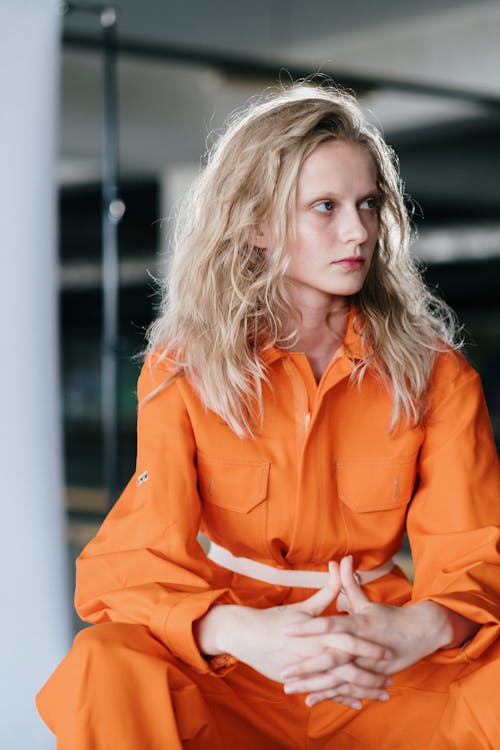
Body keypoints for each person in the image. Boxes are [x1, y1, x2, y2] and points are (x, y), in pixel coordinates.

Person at [37, 83, 500, 749]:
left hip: (379, 666)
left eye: (368, 204)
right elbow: (135, 558)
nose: (358, 230)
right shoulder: (184, 369)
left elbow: (474, 551)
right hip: (240, 667)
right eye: (326, 207)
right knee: (106, 666)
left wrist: (417, 630)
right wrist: (236, 631)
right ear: (257, 224)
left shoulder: (435, 373)